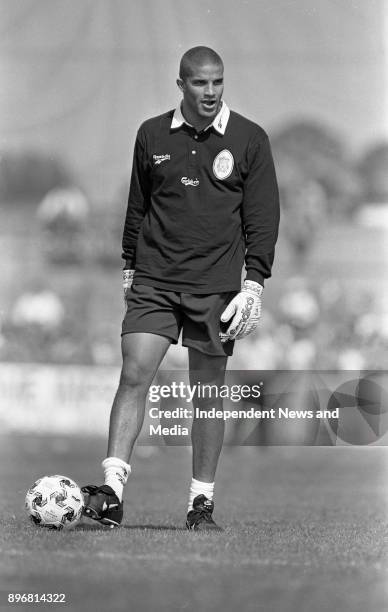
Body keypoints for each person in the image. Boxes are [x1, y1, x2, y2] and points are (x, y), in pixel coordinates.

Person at [82, 46, 280, 530]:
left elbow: (263, 218)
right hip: (154, 279)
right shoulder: (151, 134)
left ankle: (201, 503)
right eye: (199, 83)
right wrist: (130, 269)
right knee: (134, 373)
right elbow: (137, 207)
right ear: (181, 85)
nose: (210, 92)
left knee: (207, 393)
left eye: (217, 82)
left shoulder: (250, 138)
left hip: (216, 288)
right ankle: (112, 491)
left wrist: (253, 285)